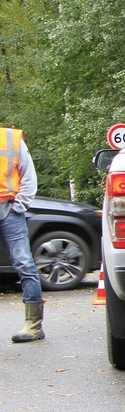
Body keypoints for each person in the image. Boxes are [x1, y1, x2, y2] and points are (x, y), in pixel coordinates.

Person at [0, 127, 45, 342]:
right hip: (9, 210)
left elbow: (29, 174)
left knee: (24, 264)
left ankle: (33, 325)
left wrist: (18, 206)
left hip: (8, 210)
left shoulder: (10, 138)